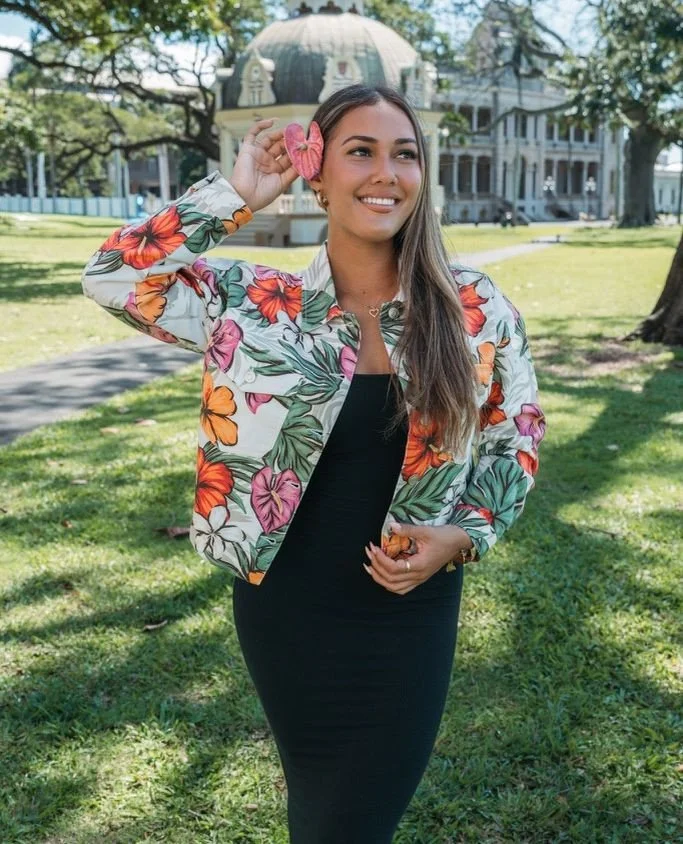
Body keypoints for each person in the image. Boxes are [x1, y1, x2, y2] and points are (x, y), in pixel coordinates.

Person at [82, 83, 545, 844]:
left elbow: (513, 438)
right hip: (286, 610)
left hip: (409, 611)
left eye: (404, 154)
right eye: (358, 151)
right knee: (323, 811)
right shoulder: (251, 302)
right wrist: (239, 191)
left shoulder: (471, 305)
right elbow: (113, 277)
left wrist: (463, 534)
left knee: (350, 819)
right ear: (316, 172)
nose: (384, 173)